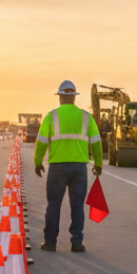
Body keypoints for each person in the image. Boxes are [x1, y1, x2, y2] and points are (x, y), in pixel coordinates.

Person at [33, 79, 103, 252]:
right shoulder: (86, 117)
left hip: (57, 167)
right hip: (79, 167)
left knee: (53, 204)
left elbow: (41, 142)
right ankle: (77, 242)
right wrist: (99, 163)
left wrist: (37, 161)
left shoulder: (52, 116)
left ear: (60, 97)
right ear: (74, 98)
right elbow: (96, 142)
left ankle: (50, 242)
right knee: (77, 205)